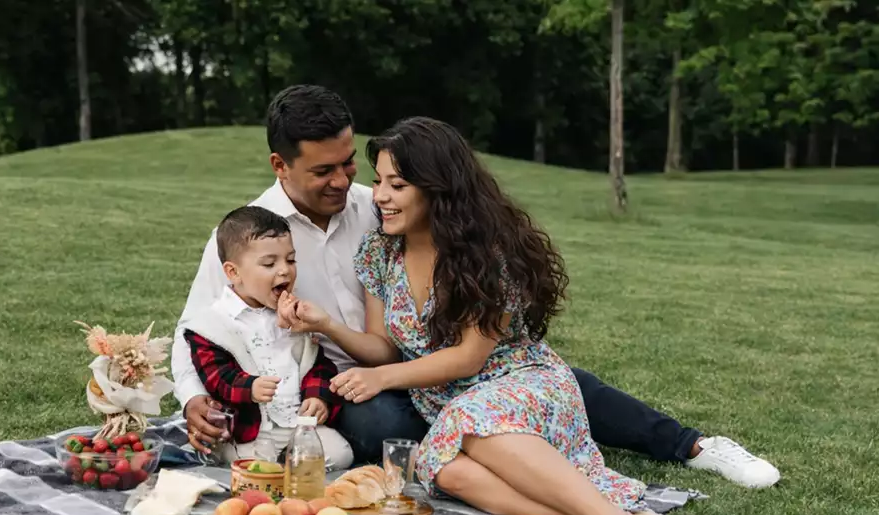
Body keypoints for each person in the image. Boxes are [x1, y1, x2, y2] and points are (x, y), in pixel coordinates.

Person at [171, 83, 780, 489]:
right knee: (376, 431)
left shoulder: (380, 206)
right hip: (343, 380)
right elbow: (196, 328)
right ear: (281, 166)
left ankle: (692, 446)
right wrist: (193, 399)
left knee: (553, 380)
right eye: (323, 170)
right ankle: (510, 469)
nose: (345, 181)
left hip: (437, 358)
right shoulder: (248, 237)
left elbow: (462, 251)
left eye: (349, 162)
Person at [277, 115, 705, 515]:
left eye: (396, 185)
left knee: (471, 419)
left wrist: (381, 377)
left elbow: (469, 357)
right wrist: (328, 326)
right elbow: (383, 345)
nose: (379, 196)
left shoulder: (487, 253)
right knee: (447, 473)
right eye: (379, 182)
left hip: (517, 381)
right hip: (451, 403)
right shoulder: (380, 252)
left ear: (436, 187)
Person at [180, 205, 353, 470]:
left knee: (341, 453)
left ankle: (289, 466)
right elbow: (215, 376)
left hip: (297, 423)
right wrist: (249, 387)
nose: (284, 271)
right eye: (270, 264)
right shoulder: (212, 325)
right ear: (233, 272)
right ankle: (278, 468)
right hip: (251, 429)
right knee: (252, 464)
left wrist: (317, 397)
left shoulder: (293, 316)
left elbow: (318, 365)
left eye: (291, 260)